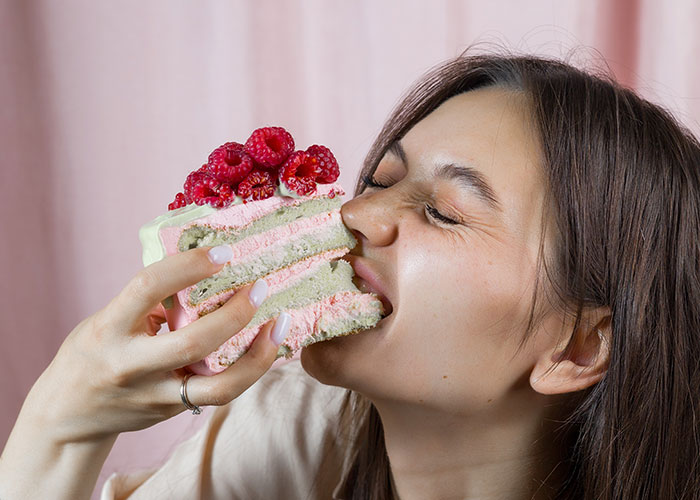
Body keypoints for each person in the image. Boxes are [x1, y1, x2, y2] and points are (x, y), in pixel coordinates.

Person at [2, 51, 699, 500]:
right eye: (380, 179)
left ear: (577, 347)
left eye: (442, 212)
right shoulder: (294, 424)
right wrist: (63, 422)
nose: (359, 213)